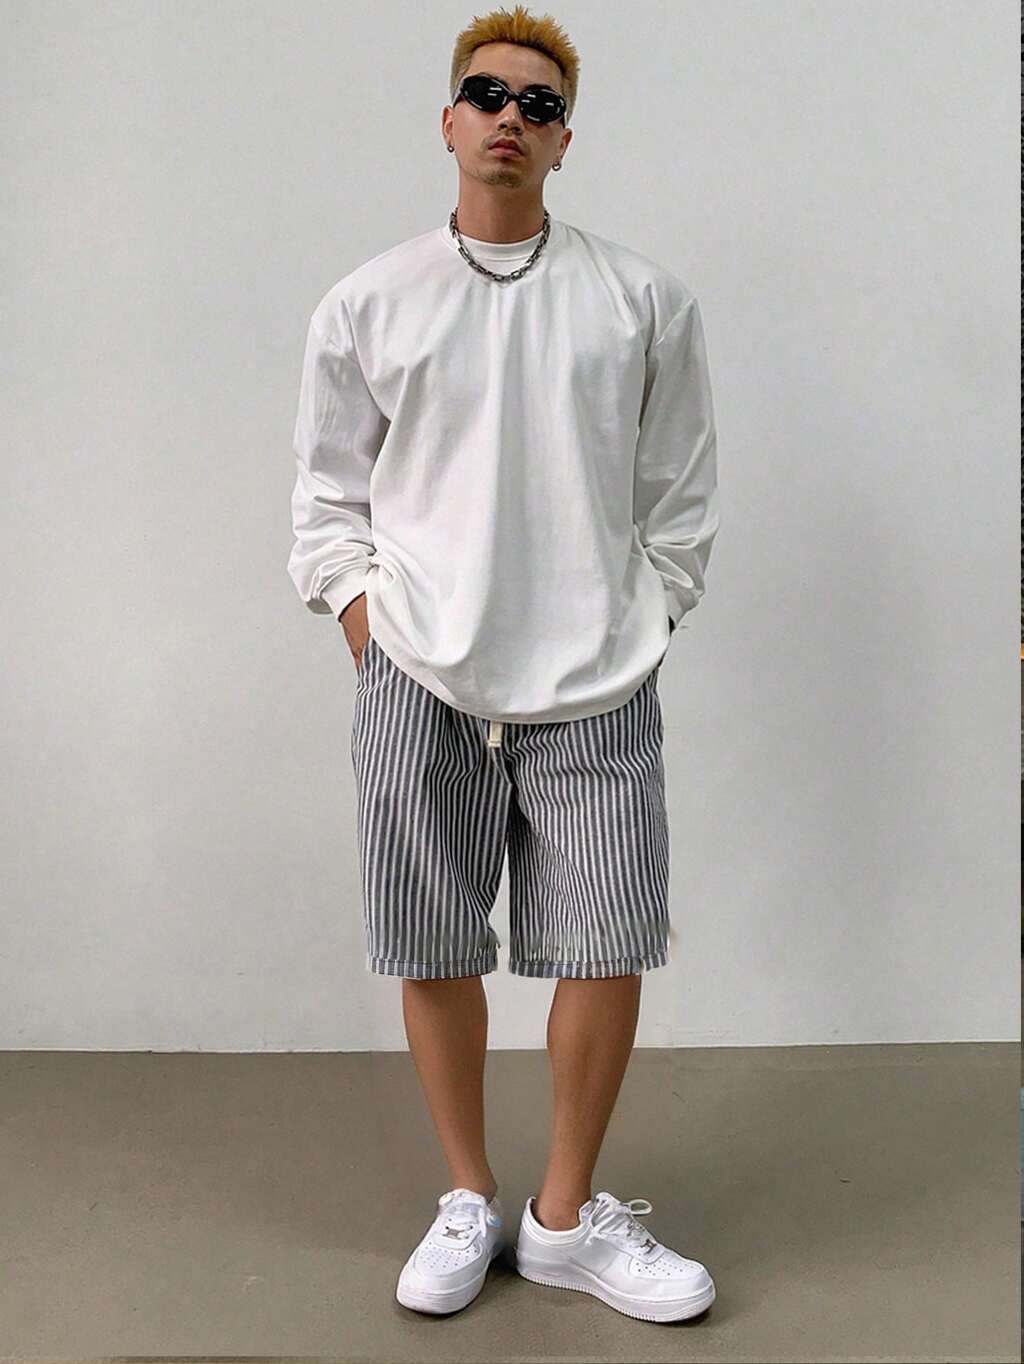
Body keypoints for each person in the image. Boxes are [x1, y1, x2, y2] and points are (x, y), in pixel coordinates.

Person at [287, 3, 720, 1326]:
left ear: (566, 139)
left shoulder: (641, 301)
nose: (510, 120)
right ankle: (468, 1196)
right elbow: (327, 497)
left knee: (609, 935)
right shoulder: (371, 300)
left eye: (540, 105)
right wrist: (368, 627)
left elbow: (680, 495)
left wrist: (649, 617)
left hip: (596, 676)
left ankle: (566, 1217)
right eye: (488, 95)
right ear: (448, 120)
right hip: (418, 667)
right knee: (432, 935)